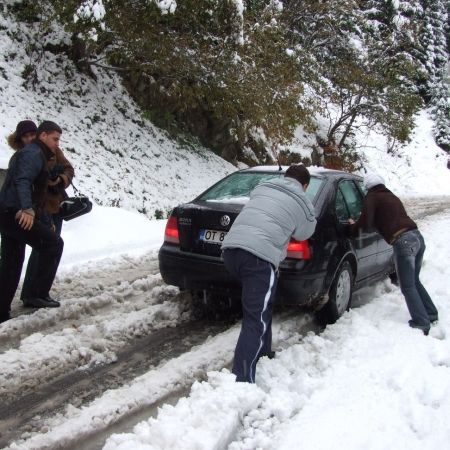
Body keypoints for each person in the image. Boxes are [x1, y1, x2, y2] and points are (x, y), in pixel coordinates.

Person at [222, 165, 317, 382]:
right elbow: (305, 232)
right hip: (258, 258)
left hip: (231, 252)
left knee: (264, 303)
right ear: (305, 185)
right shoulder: (302, 201)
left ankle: (263, 352)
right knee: (255, 318)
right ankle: (243, 378)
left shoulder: (263, 187)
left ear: (285, 177)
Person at [348, 172, 438, 336]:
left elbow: (366, 223)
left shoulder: (372, 197)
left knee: (407, 285)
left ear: (367, 187)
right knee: (414, 281)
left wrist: (353, 226)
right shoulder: (391, 196)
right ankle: (431, 314)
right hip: (417, 237)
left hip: (403, 242)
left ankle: (421, 323)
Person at [0, 121, 66, 324]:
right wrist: (26, 209)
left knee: (11, 262)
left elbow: (40, 193)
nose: (57, 144)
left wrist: (45, 219)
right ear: (43, 135)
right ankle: (37, 294)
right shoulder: (33, 153)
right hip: (15, 213)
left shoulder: (38, 154)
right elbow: (23, 181)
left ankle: (1, 311)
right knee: (54, 244)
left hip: (8, 213)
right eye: (55, 139)